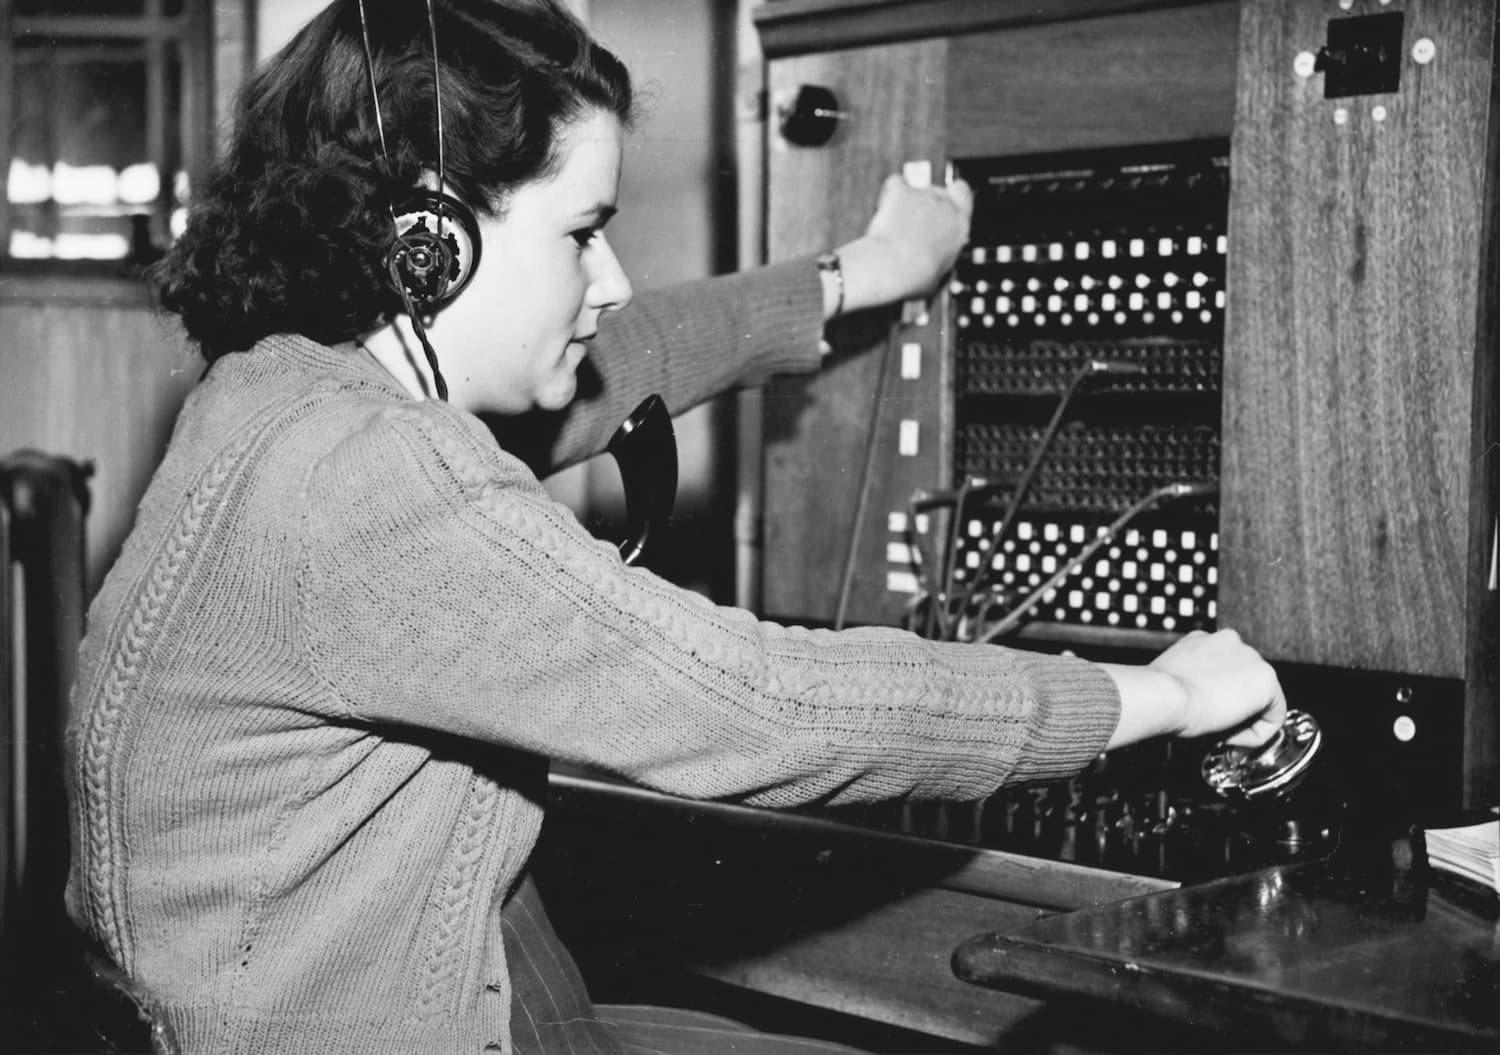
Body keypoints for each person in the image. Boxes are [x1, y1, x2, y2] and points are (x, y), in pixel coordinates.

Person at [62, 1, 1287, 1053]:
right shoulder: (365, 480)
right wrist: (1152, 698)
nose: (612, 281)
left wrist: (859, 272)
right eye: (583, 233)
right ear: (427, 241)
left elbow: (636, 353)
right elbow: (756, 703)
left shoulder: (282, 387)